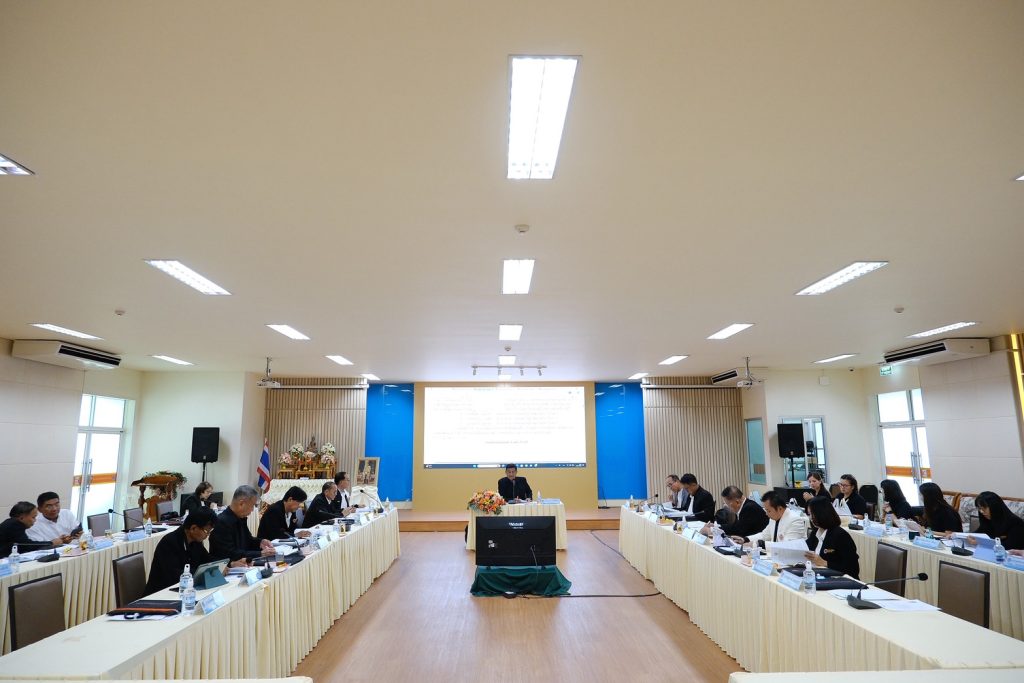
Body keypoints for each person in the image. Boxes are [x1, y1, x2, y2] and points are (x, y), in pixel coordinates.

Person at [145, 507, 226, 593]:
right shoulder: (169, 542)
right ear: (193, 528)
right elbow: (175, 575)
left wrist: (222, 566)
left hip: (185, 590)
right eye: (206, 531)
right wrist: (205, 573)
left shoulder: (196, 542)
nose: (208, 535)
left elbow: (207, 559)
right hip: (161, 593)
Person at [209, 485, 275, 562]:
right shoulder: (222, 522)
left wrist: (260, 542)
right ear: (241, 503)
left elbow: (248, 540)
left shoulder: (241, 518)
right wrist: (260, 554)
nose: (252, 510)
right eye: (252, 505)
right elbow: (230, 553)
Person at [804, 497, 860, 579]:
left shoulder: (840, 536)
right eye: (809, 514)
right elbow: (805, 548)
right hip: (819, 575)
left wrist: (825, 563)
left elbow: (852, 568)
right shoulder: (816, 532)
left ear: (822, 513)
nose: (811, 518)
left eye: (812, 514)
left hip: (839, 580)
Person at [735, 491, 808, 549]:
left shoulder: (795, 520)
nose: (766, 514)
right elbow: (764, 535)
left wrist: (761, 544)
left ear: (779, 508)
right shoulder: (773, 519)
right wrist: (745, 539)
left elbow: (787, 546)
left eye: (768, 511)